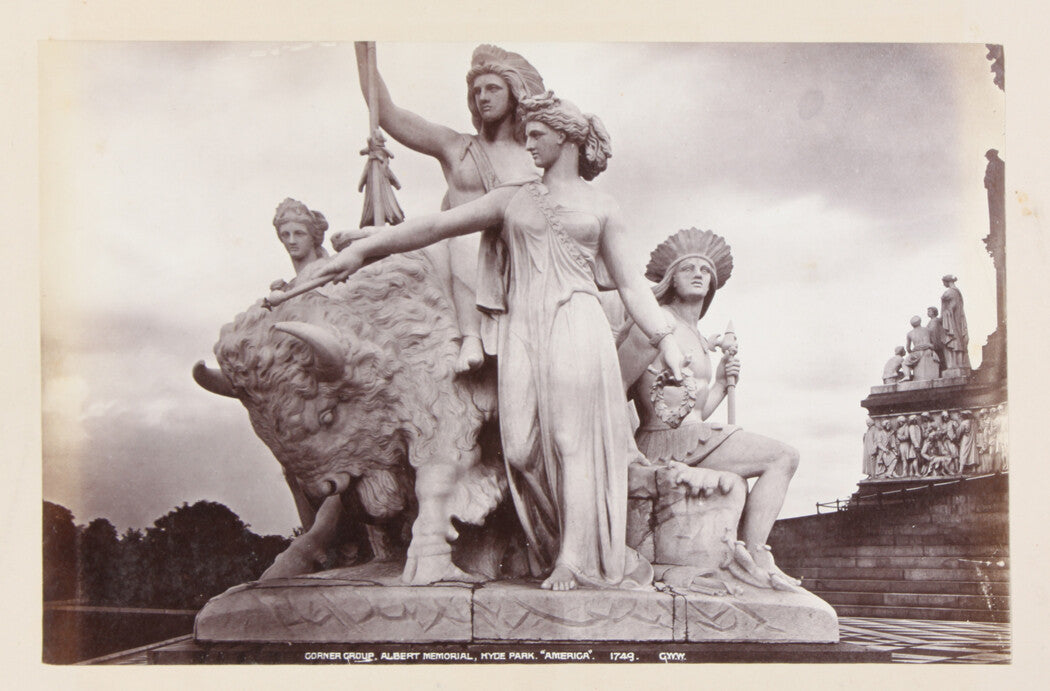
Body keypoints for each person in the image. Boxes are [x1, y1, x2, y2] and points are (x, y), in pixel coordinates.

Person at [314, 93, 687, 591]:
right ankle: (558, 540)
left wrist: (666, 338)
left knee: (572, 441)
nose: (527, 143)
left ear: (565, 137)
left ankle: (574, 559)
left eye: (536, 134)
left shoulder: (602, 206)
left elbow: (632, 285)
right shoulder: (514, 196)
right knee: (521, 447)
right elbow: (437, 226)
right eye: (526, 134)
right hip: (521, 328)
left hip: (575, 320)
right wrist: (365, 249)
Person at [335, 43, 546, 374]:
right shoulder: (456, 146)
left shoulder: (533, 153)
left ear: (513, 93)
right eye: (476, 91)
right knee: (461, 240)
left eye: (493, 88)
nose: (483, 97)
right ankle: (470, 336)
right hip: (462, 254)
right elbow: (388, 113)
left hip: (521, 260)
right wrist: (362, 50)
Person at [615, 228, 801, 591]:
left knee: (781, 457)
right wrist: (625, 453)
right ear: (671, 278)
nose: (699, 273)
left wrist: (718, 384)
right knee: (783, 457)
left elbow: (694, 410)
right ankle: (754, 554)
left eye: (705, 270)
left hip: (692, 437)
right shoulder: (656, 324)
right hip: (660, 442)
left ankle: (750, 553)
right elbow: (614, 387)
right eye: (689, 269)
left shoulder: (697, 335)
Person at [271, 198, 329, 287]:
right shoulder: (289, 287)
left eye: (299, 234)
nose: (291, 241)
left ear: (313, 237)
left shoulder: (328, 277)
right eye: (285, 235)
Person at [940, 275, 971, 371]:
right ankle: (958, 362)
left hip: (951, 318)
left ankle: (956, 363)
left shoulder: (951, 292)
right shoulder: (956, 291)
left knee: (954, 338)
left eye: (943, 282)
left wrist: (946, 312)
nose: (943, 284)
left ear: (947, 281)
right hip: (956, 317)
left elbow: (953, 304)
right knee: (956, 338)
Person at [903, 315, 940, 381]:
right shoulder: (927, 330)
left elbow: (908, 348)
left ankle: (907, 376)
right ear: (920, 322)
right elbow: (934, 342)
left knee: (904, 363)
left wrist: (912, 353)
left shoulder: (909, 333)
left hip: (917, 353)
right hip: (929, 350)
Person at [925, 306, 947, 374]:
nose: (928, 313)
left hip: (937, 342)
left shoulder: (936, 320)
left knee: (940, 356)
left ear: (934, 312)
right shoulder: (930, 322)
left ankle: (943, 370)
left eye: (929, 311)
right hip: (933, 342)